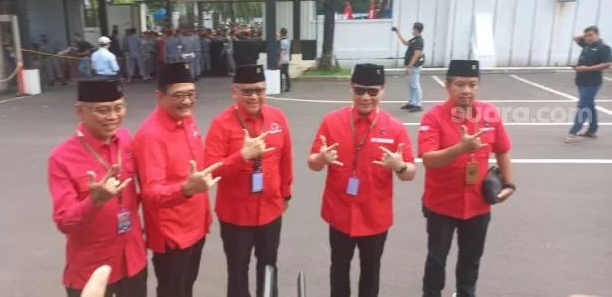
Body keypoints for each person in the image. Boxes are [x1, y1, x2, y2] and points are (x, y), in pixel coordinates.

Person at [307, 63, 416, 297]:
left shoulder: (395, 128)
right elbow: (312, 164)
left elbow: (410, 174)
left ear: (383, 91)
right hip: (339, 213)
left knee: (371, 273)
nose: (365, 97)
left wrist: (400, 166)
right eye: (359, 90)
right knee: (338, 270)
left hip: (375, 216)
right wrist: (321, 158)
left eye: (373, 91)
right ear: (351, 88)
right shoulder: (331, 121)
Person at [417, 60, 515, 297]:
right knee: (436, 259)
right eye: (460, 84)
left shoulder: (489, 114)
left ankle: (466, 293)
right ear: (447, 85)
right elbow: (428, 159)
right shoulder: (433, 117)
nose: (466, 90)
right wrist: (459, 149)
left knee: (471, 259)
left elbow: (502, 149)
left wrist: (510, 183)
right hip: (441, 204)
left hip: (478, 203)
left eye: (472, 84)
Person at [48, 79, 147, 297]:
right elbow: (64, 221)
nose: (113, 117)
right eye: (103, 110)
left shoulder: (125, 139)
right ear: (80, 111)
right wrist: (94, 202)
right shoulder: (62, 157)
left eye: (119, 108)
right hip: (91, 268)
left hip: (133, 259)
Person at [133, 62, 222, 297]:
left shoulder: (187, 120)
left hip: (196, 226)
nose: (186, 101)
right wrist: (184, 189)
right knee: (173, 291)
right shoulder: (151, 135)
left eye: (191, 94)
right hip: (172, 234)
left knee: (187, 287)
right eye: (178, 95)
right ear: (160, 97)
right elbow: (150, 193)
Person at [204, 64, 294, 297]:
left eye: (259, 90)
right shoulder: (221, 124)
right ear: (234, 91)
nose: (254, 96)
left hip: (271, 210)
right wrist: (241, 156)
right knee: (237, 271)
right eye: (247, 91)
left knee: (269, 266)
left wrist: (286, 193)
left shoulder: (278, 118)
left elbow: (286, 158)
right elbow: (211, 170)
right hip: (235, 215)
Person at [564, 26, 612, 143]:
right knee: (589, 105)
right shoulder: (587, 45)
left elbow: (607, 64)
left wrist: (588, 69)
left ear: (597, 34)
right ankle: (592, 130)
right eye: (587, 35)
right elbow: (575, 38)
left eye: (591, 35)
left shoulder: (603, 48)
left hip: (593, 82)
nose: (588, 38)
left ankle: (573, 132)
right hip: (581, 80)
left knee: (583, 106)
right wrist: (585, 37)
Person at [393, 22, 425, 112]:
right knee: (411, 85)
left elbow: (416, 55)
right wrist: (398, 33)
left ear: (416, 29)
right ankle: (411, 102)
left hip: (414, 66)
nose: (412, 30)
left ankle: (418, 104)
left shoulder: (419, 41)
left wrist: (409, 66)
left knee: (415, 85)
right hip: (411, 66)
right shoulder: (414, 39)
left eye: (413, 28)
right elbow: (405, 43)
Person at [278, 28, 291, 92]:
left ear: (282, 33)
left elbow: (282, 52)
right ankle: (288, 87)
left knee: (280, 74)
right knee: (286, 73)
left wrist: (280, 61)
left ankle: (280, 88)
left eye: (280, 33)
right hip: (287, 58)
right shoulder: (288, 40)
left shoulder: (282, 42)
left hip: (283, 59)